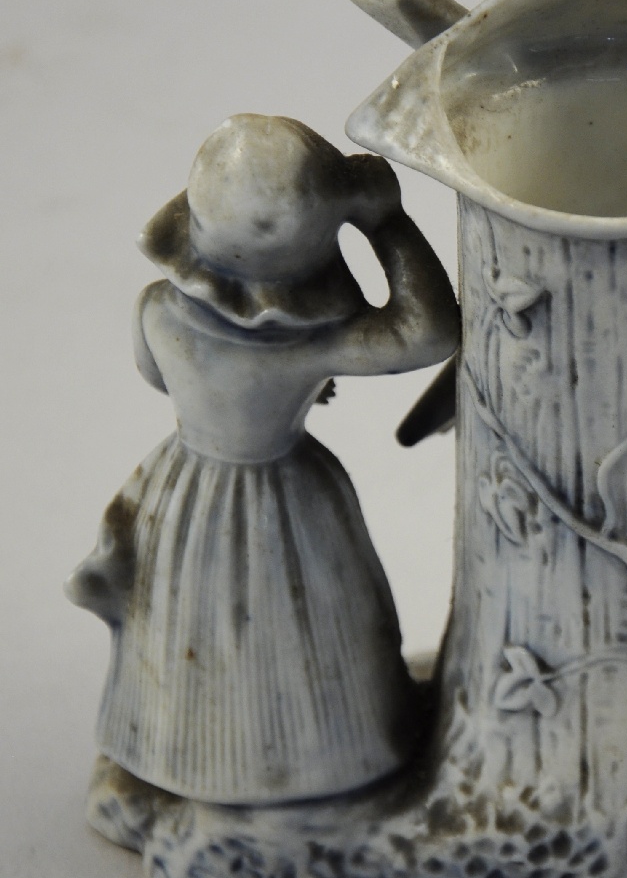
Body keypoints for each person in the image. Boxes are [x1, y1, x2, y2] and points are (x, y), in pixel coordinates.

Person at [65, 114, 460, 804]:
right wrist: (385, 222)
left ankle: (180, 760)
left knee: (185, 621)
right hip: (281, 496)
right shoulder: (302, 349)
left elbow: (157, 377)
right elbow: (427, 331)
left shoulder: (155, 309)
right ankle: (294, 774)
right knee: (289, 633)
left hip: (179, 485)